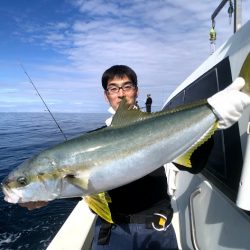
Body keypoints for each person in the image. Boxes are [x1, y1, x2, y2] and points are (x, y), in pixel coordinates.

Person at [21, 65, 250, 249]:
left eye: (127, 86)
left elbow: (194, 164)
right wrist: (45, 195)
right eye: (113, 88)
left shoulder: (160, 128)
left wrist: (214, 120)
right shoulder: (88, 142)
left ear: (136, 91)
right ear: (106, 96)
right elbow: (82, 184)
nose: (120, 93)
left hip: (157, 228)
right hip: (112, 232)